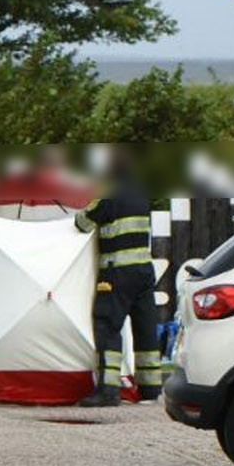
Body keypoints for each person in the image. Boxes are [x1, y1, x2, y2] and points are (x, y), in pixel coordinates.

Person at [75, 159, 162, 408]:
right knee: (145, 328)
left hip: (116, 272)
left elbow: (83, 222)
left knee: (107, 326)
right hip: (143, 271)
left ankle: (108, 390)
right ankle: (150, 389)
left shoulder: (106, 193)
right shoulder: (141, 192)